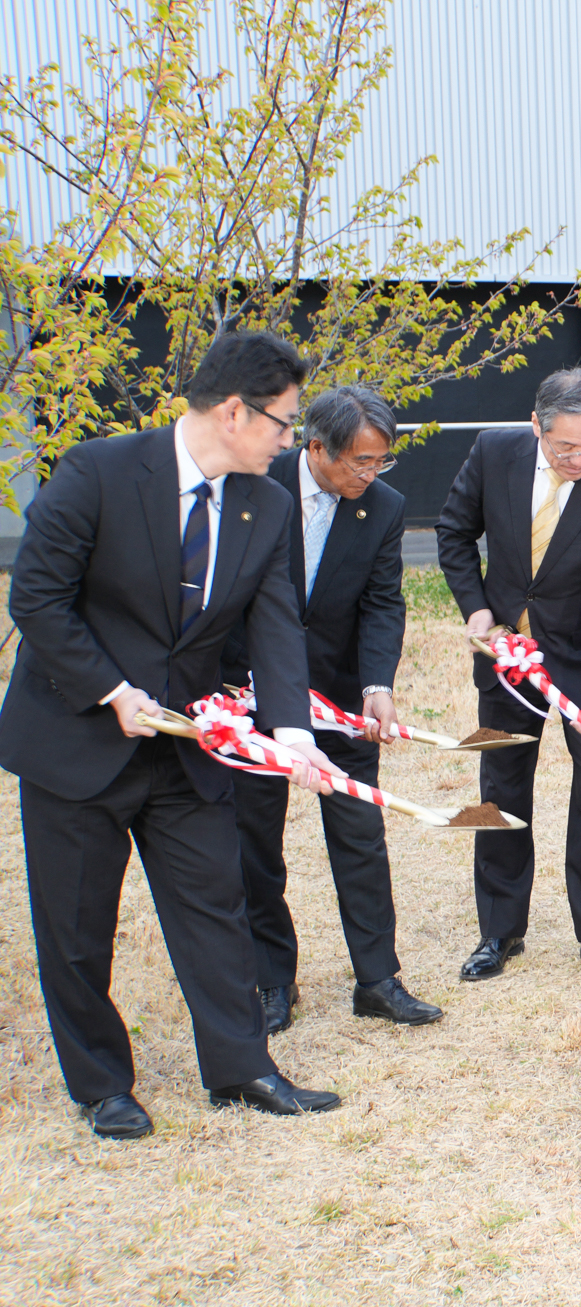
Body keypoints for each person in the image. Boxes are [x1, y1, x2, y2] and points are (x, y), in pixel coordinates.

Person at [0, 332, 346, 1138]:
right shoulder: (97, 471)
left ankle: (242, 1067)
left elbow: (275, 623)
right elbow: (38, 597)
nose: (289, 440)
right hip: (78, 742)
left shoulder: (268, 504)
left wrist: (293, 731)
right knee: (77, 925)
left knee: (216, 905)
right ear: (234, 412)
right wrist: (111, 689)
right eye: (283, 422)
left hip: (186, 747)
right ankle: (102, 1085)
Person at [222, 386, 440, 1033]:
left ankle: (377, 979)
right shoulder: (255, 488)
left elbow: (382, 601)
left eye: (381, 461)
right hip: (252, 692)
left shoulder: (383, 506)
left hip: (340, 698)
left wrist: (376, 683)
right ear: (316, 447)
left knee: (359, 835)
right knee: (254, 840)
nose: (370, 474)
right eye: (359, 461)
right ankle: (272, 979)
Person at [435, 368, 581, 980]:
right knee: (501, 786)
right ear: (537, 426)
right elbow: (454, 533)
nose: (580, 459)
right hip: (506, 653)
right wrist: (477, 608)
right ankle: (499, 931)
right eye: (566, 447)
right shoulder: (493, 453)